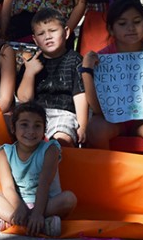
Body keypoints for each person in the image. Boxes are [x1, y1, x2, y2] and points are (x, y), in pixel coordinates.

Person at [81, 0, 143, 158]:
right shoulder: (102, 58)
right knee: (95, 130)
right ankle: (106, 181)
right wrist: (87, 71)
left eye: (136, 22)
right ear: (111, 29)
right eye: (122, 24)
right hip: (112, 120)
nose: (131, 28)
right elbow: (98, 109)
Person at [0, 102, 77, 236]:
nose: (31, 131)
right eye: (24, 125)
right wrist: (19, 209)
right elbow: (8, 188)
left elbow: (44, 183)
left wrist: (38, 213)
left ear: (44, 129)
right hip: (15, 205)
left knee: (69, 199)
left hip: (45, 204)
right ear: (13, 128)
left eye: (37, 126)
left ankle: (10, 222)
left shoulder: (50, 149)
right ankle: (36, 224)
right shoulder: (4, 153)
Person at [15, 8, 88, 147]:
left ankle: (62, 167)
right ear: (35, 40)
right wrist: (29, 73)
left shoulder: (75, 60)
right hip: (36, 114)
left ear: (66, 32)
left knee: (61, 140)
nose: (48, 36)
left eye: (53, 31)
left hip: (64, 114)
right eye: (41, 33)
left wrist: (83, 126)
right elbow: (24, 99)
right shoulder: (33, 63)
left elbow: (80, 94)